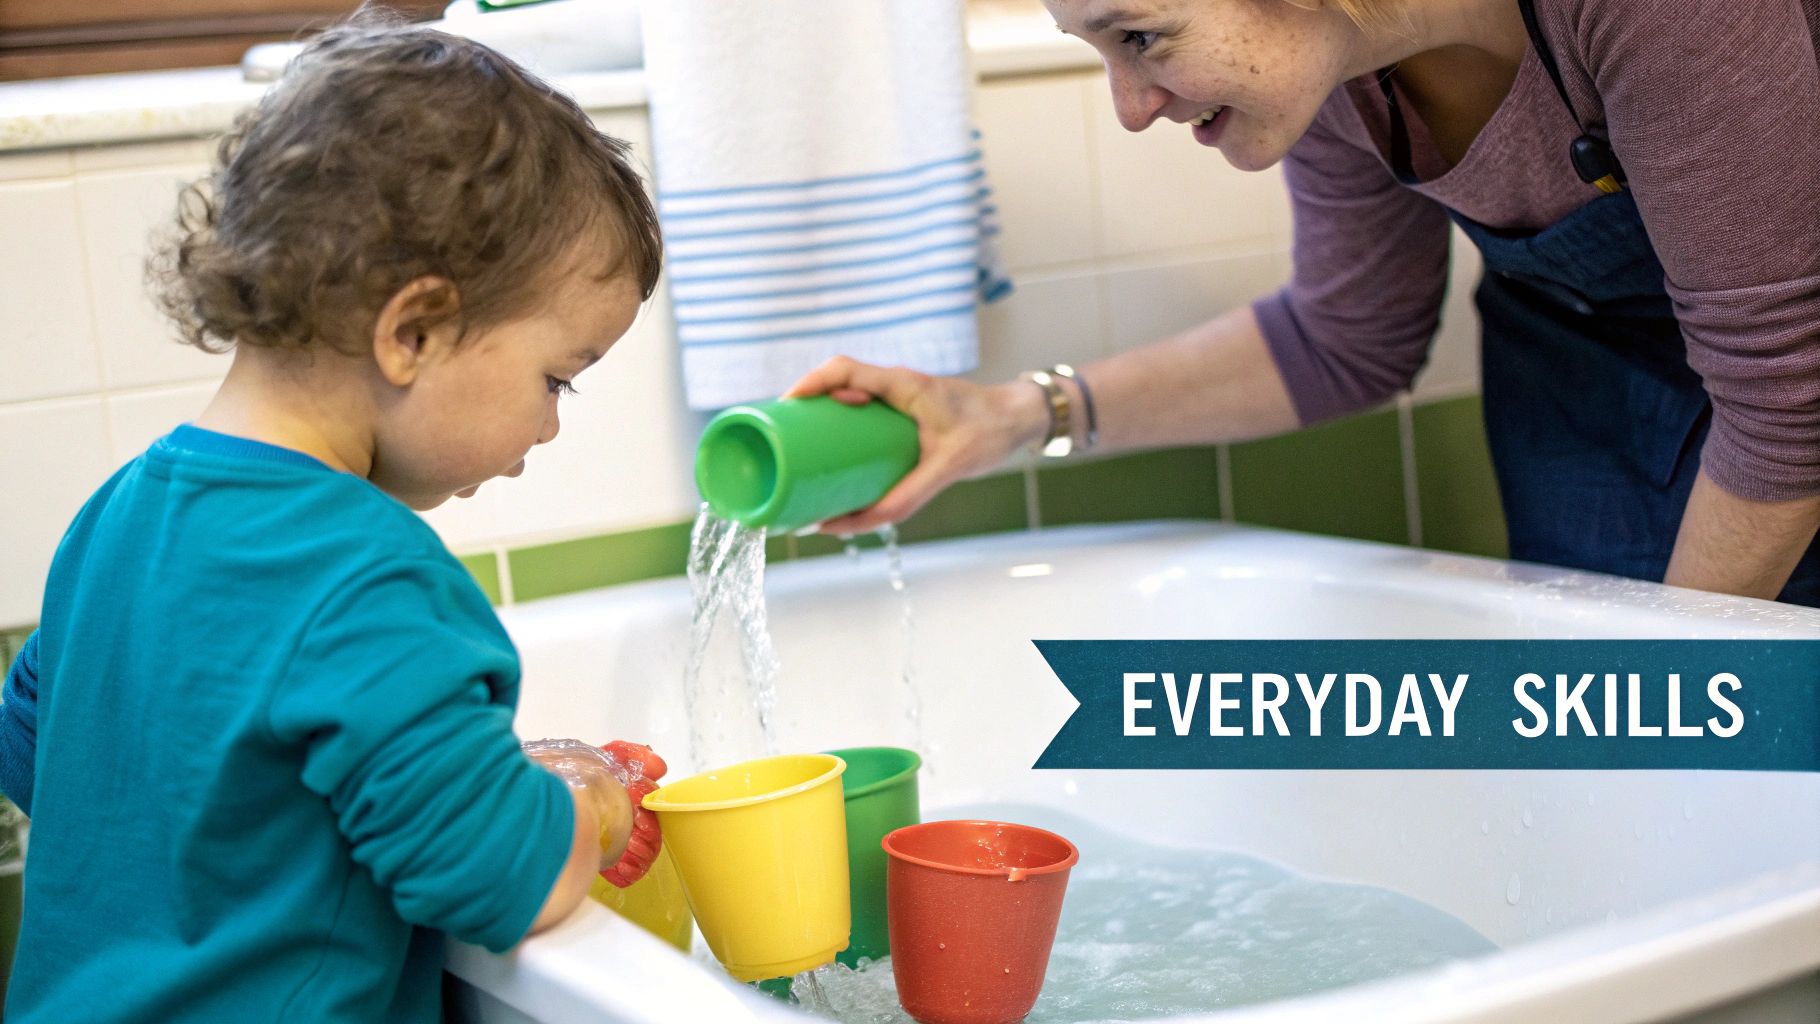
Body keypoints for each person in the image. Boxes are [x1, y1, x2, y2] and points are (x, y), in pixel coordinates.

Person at [0, 18, 668, 1022]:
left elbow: (42, 759)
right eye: (555, 380)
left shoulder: (117, 516)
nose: (546, 424)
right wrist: (597, 801)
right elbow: (502, 879)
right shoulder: (368, 572)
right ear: (415, 330)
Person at [788, 0, 1820, 606]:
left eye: (1140, 37)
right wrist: (1007, 414)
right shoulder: (1334, 72)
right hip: (1588, 396)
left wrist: (1664, 694)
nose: (1130, 106)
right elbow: (1346, 336)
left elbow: (1787, 401)